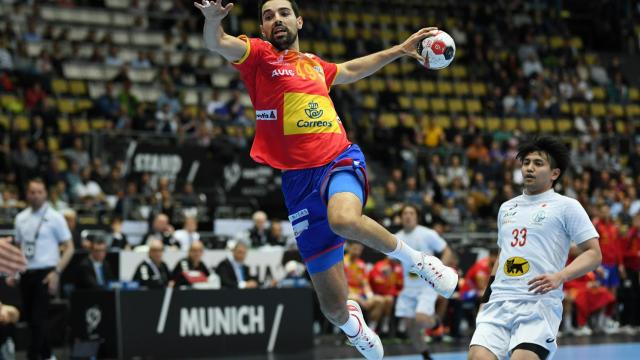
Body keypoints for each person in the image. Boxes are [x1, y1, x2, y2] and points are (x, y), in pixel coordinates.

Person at [193, 2, 457, 358]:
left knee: (343, 219)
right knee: (333, 307)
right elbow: (217, 42)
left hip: (338, 158)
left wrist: (399, 50)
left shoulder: (315, 65)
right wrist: (212, 22)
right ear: (262, 26)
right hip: (298, 184)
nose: (277, 20)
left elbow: (350, 69)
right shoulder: (258, 55)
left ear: (298, 21)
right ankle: (354, 325)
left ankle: (419, 262)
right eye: (268, 16)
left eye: (284, 13)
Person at [468, 136, 602, 360]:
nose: (529, 168)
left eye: (538, 163)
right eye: (526, 162)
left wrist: (561, 276)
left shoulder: (567, 206)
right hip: (499, 301)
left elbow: (594, 253)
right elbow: (502, 257)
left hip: (538, 303)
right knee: (477, 358)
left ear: (554, 174)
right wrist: (485, 299)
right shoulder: (506, 208)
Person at [11, 178, 75, 360]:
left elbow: (69, 247)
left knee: (39, 318)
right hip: (26, 272)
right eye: (33, 192)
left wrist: (56, 272)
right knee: (31, 319)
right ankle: (47, 355)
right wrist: (14, 271)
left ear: (45, 194)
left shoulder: (55, 217)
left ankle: (32, 356)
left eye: (40, 192)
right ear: (27, 194)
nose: (36, 196)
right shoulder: (20, 218)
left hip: (46, 273)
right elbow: (18, 248)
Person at [394, 204, 454, 360]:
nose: (408, 216)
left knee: (420, 318)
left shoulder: (428, 234)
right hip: (408, 288)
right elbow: (392, 261)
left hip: (426, 286)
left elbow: (447, 251)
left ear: (416, 216)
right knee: (409, 326)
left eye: (411, 213)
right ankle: (426, 355)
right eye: (405, 213)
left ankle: (436, 324)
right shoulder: (396, 237)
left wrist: (440, 271)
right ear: (401, 218)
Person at [344, 242, 392, 334]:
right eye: (355, 249)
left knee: (380, 301)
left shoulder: (361, 264)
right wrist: (357, 297)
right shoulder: (342, 262)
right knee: (353, 299)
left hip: (361, 295)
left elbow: (365, 283)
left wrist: (369, 296)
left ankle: (370, 332)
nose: (357, 252)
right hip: (347, 294)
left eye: (359, 250)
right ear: (348, 248)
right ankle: (353, 333)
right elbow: (342, 284)